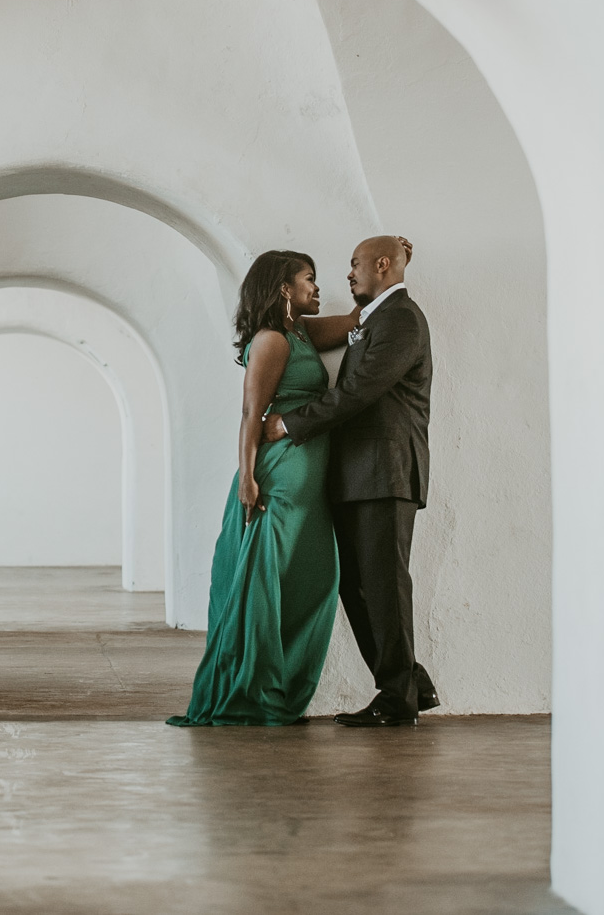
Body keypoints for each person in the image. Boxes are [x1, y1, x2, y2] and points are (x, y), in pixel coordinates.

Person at [168, 250, 362, 726]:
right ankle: (253, 690)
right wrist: (249, 479)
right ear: (283, 288)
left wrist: (396, 262)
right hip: (277, 476)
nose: (318, 289)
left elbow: (360, 316)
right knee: (264, 582)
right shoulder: (272, 340)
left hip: (307, 480)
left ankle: (279, 681)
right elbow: (249, 414)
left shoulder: (302, 332)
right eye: (309, 280)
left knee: (311, 581)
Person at [264, 234, 438, 727]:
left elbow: (360, 391)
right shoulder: (376, 317)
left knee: (384, 586)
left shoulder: (402, 317)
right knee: (357, 586)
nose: (347, 274)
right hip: (360, 475)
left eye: (355, 264)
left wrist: (290, 423)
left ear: (381, 264)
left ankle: (398, 699)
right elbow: (298, 326)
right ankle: (408, 683)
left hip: (386, 473)